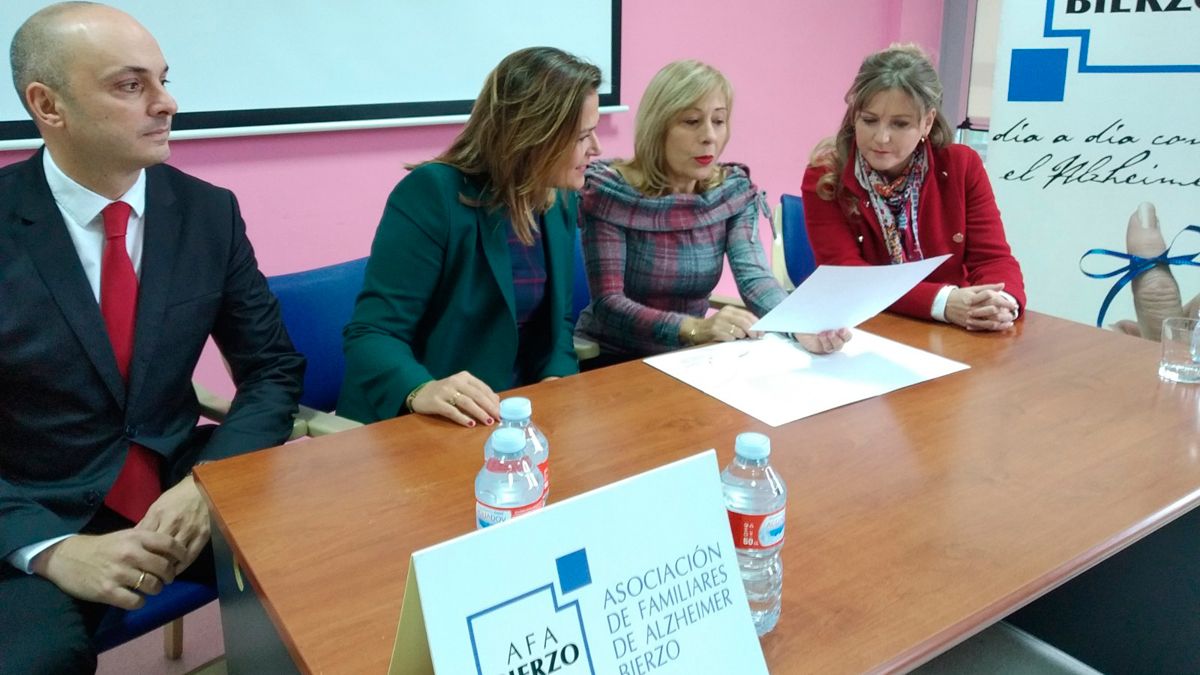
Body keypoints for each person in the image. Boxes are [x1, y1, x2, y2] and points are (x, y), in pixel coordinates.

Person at [0, 3, 305, 671]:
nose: (167, 104)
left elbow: (273, 369)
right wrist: (49, 548)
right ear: (48, 105)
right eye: (130, 85)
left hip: (178, 481)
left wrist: (209, 482)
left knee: (339, 563)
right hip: (34, 506)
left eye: (163, 79)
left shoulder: (206, 212)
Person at [338, 47, 602, 427]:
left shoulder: (557, 196)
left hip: (514, 418)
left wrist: (557, 385)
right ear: (533, 137)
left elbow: (557, 325)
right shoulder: (432, 194)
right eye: (583, 136)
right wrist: (420, 389)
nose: (596, 149)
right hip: (431, 423)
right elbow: (372, 334)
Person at [575, 60, 851, 362]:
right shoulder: (611, 192)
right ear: (658, 127)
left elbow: (754, 278)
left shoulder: (730, 192)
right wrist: (695, 328)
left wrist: (798, 325)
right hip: (614, 359)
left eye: (718, 121)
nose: (709, 136)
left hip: (692, 358)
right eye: (692, 122)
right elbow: (609, 303)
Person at [802, 44, 1026, 331]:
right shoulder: (825, 175)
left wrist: (1000, 302)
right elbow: (848, 277)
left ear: (927, 122)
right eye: (869, 120)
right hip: (868, 330)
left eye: (900, 124)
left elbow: (993, 258)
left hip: (955, 330)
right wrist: (943, 302)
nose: (881, 138)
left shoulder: (962, 165)